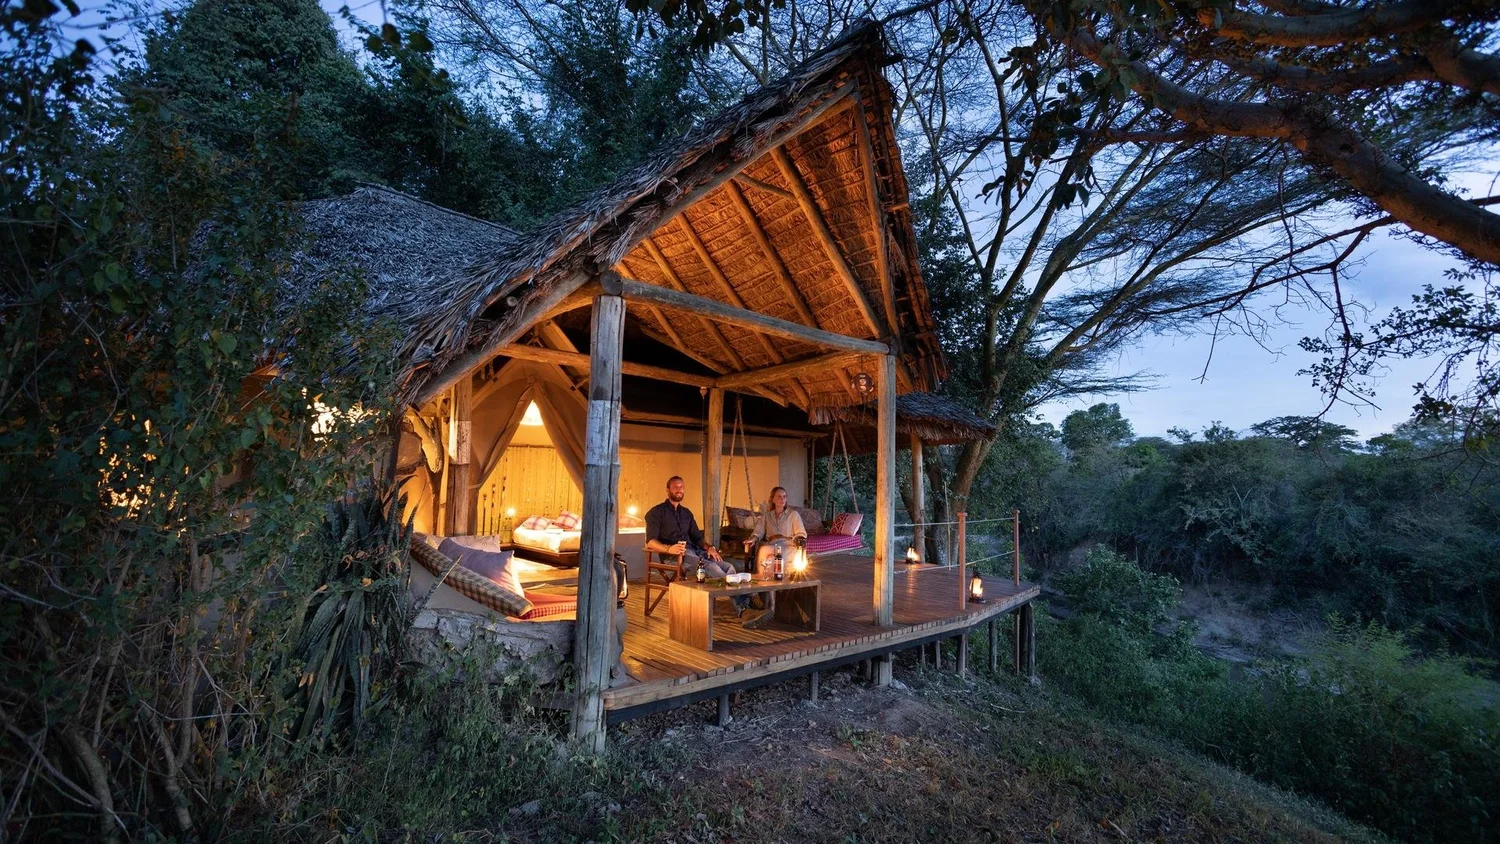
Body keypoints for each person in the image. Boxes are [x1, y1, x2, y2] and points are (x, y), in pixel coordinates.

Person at [644, 475, 753, 614]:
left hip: (695, 552)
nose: (679, 489)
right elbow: (651, 541)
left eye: (682, 487)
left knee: (728, 566)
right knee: (712, 567)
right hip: (674, 556)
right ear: (668, 489)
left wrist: (710, 548)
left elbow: (697, 537)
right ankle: (744, 607)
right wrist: (669, 549)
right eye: (676, 487)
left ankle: (742, 605)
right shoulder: (656, 512)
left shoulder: (686, 513)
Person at [743, 486, 807, 574]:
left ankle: (767, 580)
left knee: (765, 550)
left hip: (787, 545)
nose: (782, 499)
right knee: (771, 558)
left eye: (784, 496)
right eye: (779, 496)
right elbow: (758, 531)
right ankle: (765, 581)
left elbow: (801, 532)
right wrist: (753, 538)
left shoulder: (793, 514)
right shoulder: (767, 516)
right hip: (772, 544)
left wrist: (799, 539)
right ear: (773, 499)